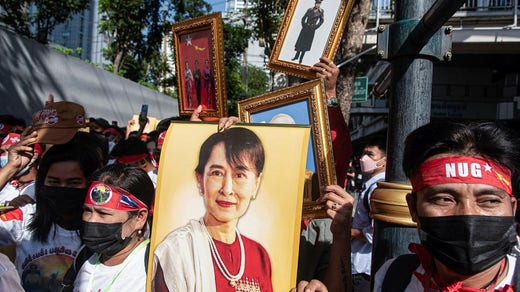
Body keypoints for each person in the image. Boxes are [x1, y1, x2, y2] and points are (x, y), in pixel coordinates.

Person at [373, 121, 520, 291]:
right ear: (413, 208)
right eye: (444, 199)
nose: (467, 214)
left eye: (489, 201)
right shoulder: (394, 277)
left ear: (513, 209)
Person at [153, 127, 272, 292]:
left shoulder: (259, 256)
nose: (227, 189)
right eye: (217, 173)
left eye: (239, 175)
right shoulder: (177, 251)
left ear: (256, 184)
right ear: (200, 180)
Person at [0, 136, 102, 291]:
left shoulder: (104, 228)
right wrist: (11, 168)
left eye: (73, 183)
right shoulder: (25, 217)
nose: (62, 188)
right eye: (54, 182)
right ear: (42, 182)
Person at [65, 164, 154, 291]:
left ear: (139, 217)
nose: (91, 220)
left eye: (103, 213)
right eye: (87, 210)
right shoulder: (85, 255)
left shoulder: (153, 264)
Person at [351, 136, 386, 291]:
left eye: (371, 155)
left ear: (384, 160)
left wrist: (349, 232)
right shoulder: (371, 185)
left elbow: (375, 232)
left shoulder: (377, 188)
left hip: (363, 268)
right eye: (364, 153)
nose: (364, 159)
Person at [291, 0, 324, 64]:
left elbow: (322, 21)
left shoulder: (321, 11)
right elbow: (303, 18)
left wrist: (315, 27)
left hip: (311, 30)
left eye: (319, 3)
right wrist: (304, 25)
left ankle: (301, 59)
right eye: (317, 3)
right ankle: (296, 56)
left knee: (306, 44)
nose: (318, 5)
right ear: (315, 3)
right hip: (305, 28)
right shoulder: (309, 10)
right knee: (300, 43)